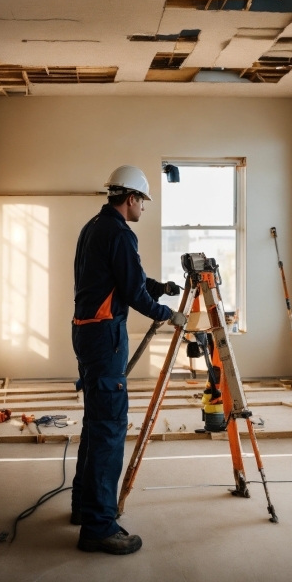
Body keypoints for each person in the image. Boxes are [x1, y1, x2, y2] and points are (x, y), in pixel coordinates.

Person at [71, 165, 186, 555]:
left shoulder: (93, 228)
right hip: (105, 337)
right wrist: (166, 313)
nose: (144, 209)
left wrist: (162, 288)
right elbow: (134, 293)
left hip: (87, 332)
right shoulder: (120, 233)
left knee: (96, 420)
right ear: (131, 198)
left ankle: (82, 507)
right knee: (108, 428)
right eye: (143, 202)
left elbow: (125, 280)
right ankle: (99, 527)